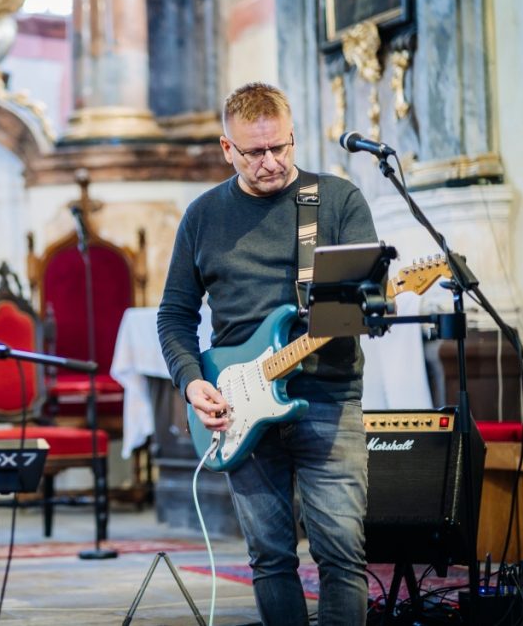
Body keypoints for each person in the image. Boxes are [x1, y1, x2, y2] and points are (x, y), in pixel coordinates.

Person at [157, 82, 377, 625]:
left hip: (328, 395)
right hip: (239, 403)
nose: (271, 161)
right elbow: (175, 314)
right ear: (227, 149)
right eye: (255, 152)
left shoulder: (337, 200)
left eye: (281, 146)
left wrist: (373, 303)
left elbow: (369, 295)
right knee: (270, 559)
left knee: (342, 555)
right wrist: (192, 381)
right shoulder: (203, 216)